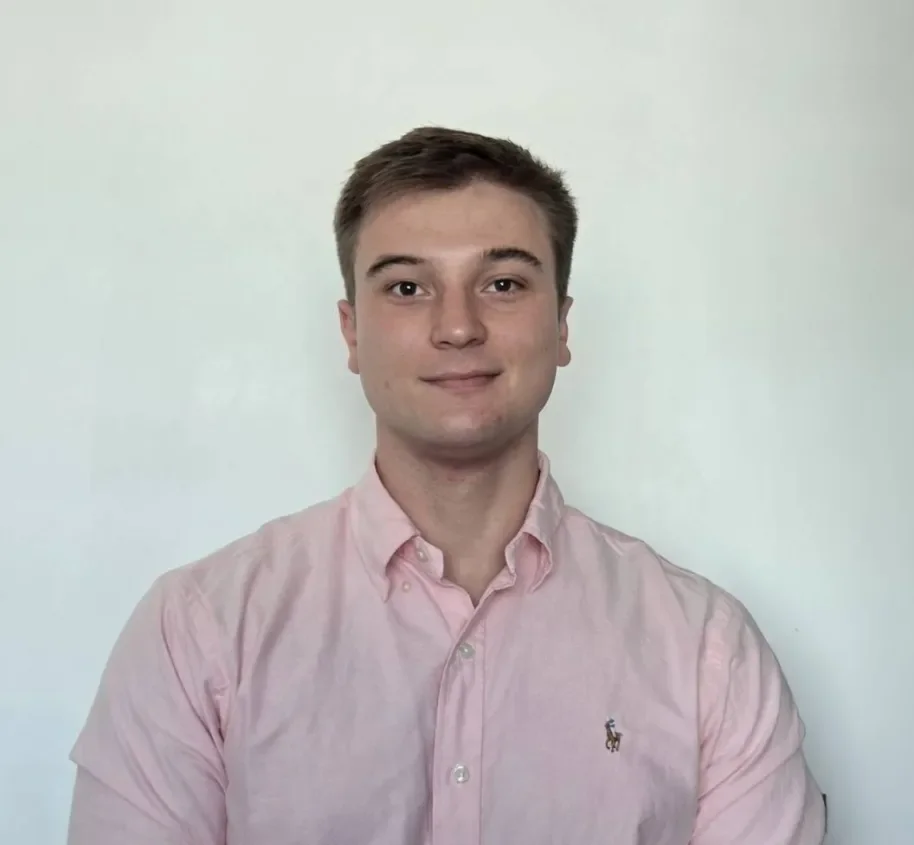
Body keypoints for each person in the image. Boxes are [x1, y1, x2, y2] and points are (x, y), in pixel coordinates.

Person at [67, 126, 826, 844]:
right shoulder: (197, 633)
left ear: (562, 327)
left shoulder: (706, 651)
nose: (457, 326)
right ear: (351, 332)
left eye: (501, 282)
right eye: (406, 288)